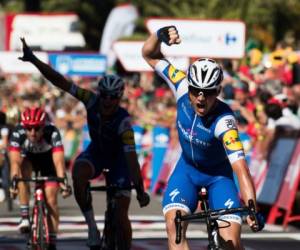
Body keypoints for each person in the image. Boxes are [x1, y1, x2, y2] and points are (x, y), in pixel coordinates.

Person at [19, 38, 150, 250]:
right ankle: (91, 228)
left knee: (121, 216)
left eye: (113, 98)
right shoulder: (90, 100)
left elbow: (131, 159)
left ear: (119, 98)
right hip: (97, 153)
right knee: (78, 173)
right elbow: (60, 81)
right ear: (100, 95)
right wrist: (34, 60)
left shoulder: (124, 123)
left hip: (119, 162)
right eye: (104, 96)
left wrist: (140, 189)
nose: (107, 101)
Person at [142, 26, 264, 250]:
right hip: (186, 171)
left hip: (219, 177)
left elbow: (240, 168)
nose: (200, 98)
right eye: (195, 89)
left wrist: (252, 208)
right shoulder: (179, 83)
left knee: (231, 243)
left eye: (207, 93)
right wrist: (159, 35)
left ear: (217, 92)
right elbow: (149, 54)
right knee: (174, 228)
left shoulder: (225, 122)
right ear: (188, 85)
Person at [9, 107, 72, 250]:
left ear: (43, 127)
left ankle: (53, 240)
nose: (32, 132)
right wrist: (14, 183)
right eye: (29, 128)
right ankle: (25, 217)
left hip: (48, 162)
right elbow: (14, 162)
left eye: (37, 128)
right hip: (29, 160)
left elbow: (58, 162)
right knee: (22, 170)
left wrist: (63, 181)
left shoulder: (52, 132)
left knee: (51, 200)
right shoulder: (18, 132)